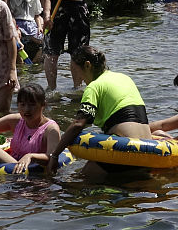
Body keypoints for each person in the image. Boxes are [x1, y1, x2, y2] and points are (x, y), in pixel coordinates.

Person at [48, 47, 153, 176]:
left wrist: (55, 155)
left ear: (87, 66)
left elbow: (78, 125)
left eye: (76, 71)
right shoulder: (123, 78)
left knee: (78, 181)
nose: (78, 77)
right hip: (148, 152)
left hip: (125, 150)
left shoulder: (94, 87)